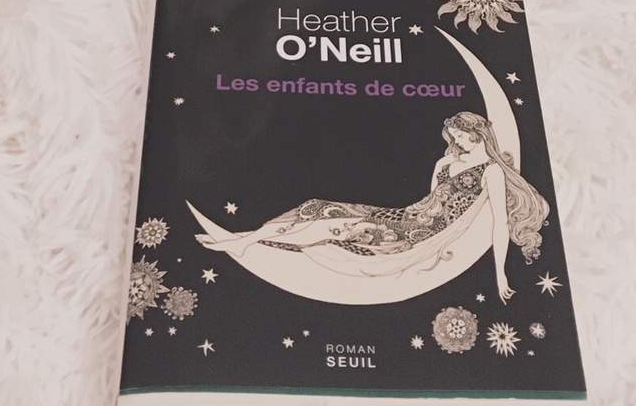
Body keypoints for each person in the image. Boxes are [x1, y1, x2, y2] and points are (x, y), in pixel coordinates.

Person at [197, 111, 548, 302]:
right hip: (403, 217)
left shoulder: (491, 172)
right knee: (318, 207)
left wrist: (500, 272)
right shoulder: (445, 163)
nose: (457, 142)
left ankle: (243, 241)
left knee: (332, 230)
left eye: (461, 136)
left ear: (478, 134)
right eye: (453, 137)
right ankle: (245, 239)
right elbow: (426, 202)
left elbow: (499, 223)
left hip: (418, 233)